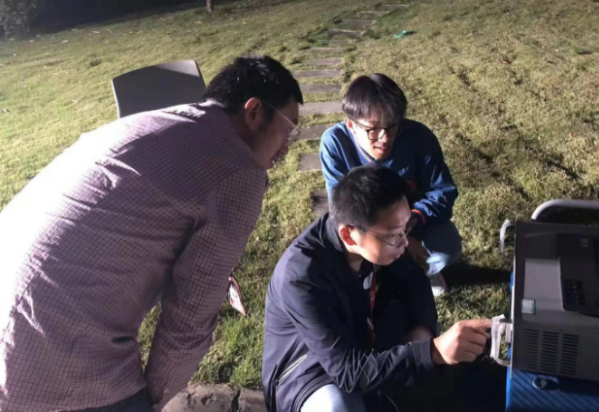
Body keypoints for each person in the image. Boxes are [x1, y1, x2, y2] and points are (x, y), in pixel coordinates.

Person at [0, 56, 303, 412]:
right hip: (47, 357)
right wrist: (152, 401)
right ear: (253, 112)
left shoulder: (156, 122)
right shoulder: (239, 169)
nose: (287, 147)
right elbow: (189, 319)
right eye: (288, 129)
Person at [262, 165, 491, 412]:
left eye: (405, 229)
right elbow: (348, 372)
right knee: (337, 407)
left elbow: (415, 282)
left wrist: (421, 329)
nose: (405, 242)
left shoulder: (376, 236)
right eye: (394, 235)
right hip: (309, 370)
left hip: (361, 336)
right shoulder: (301, 278)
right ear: (348, 236)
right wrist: (432, 351)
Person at [319, 74, 460, 296]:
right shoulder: (334, 143)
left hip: (412, 222)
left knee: (446, 249)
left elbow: (443, 191)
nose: (384, 138)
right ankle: (379, 275)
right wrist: (395, 241)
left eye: (393, 126)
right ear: (351, 125)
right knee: (335, 254)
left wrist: (408, 228)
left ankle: (417, 271)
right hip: (366, 226)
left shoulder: (420, 137)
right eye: (373, 129)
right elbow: (341, 209)